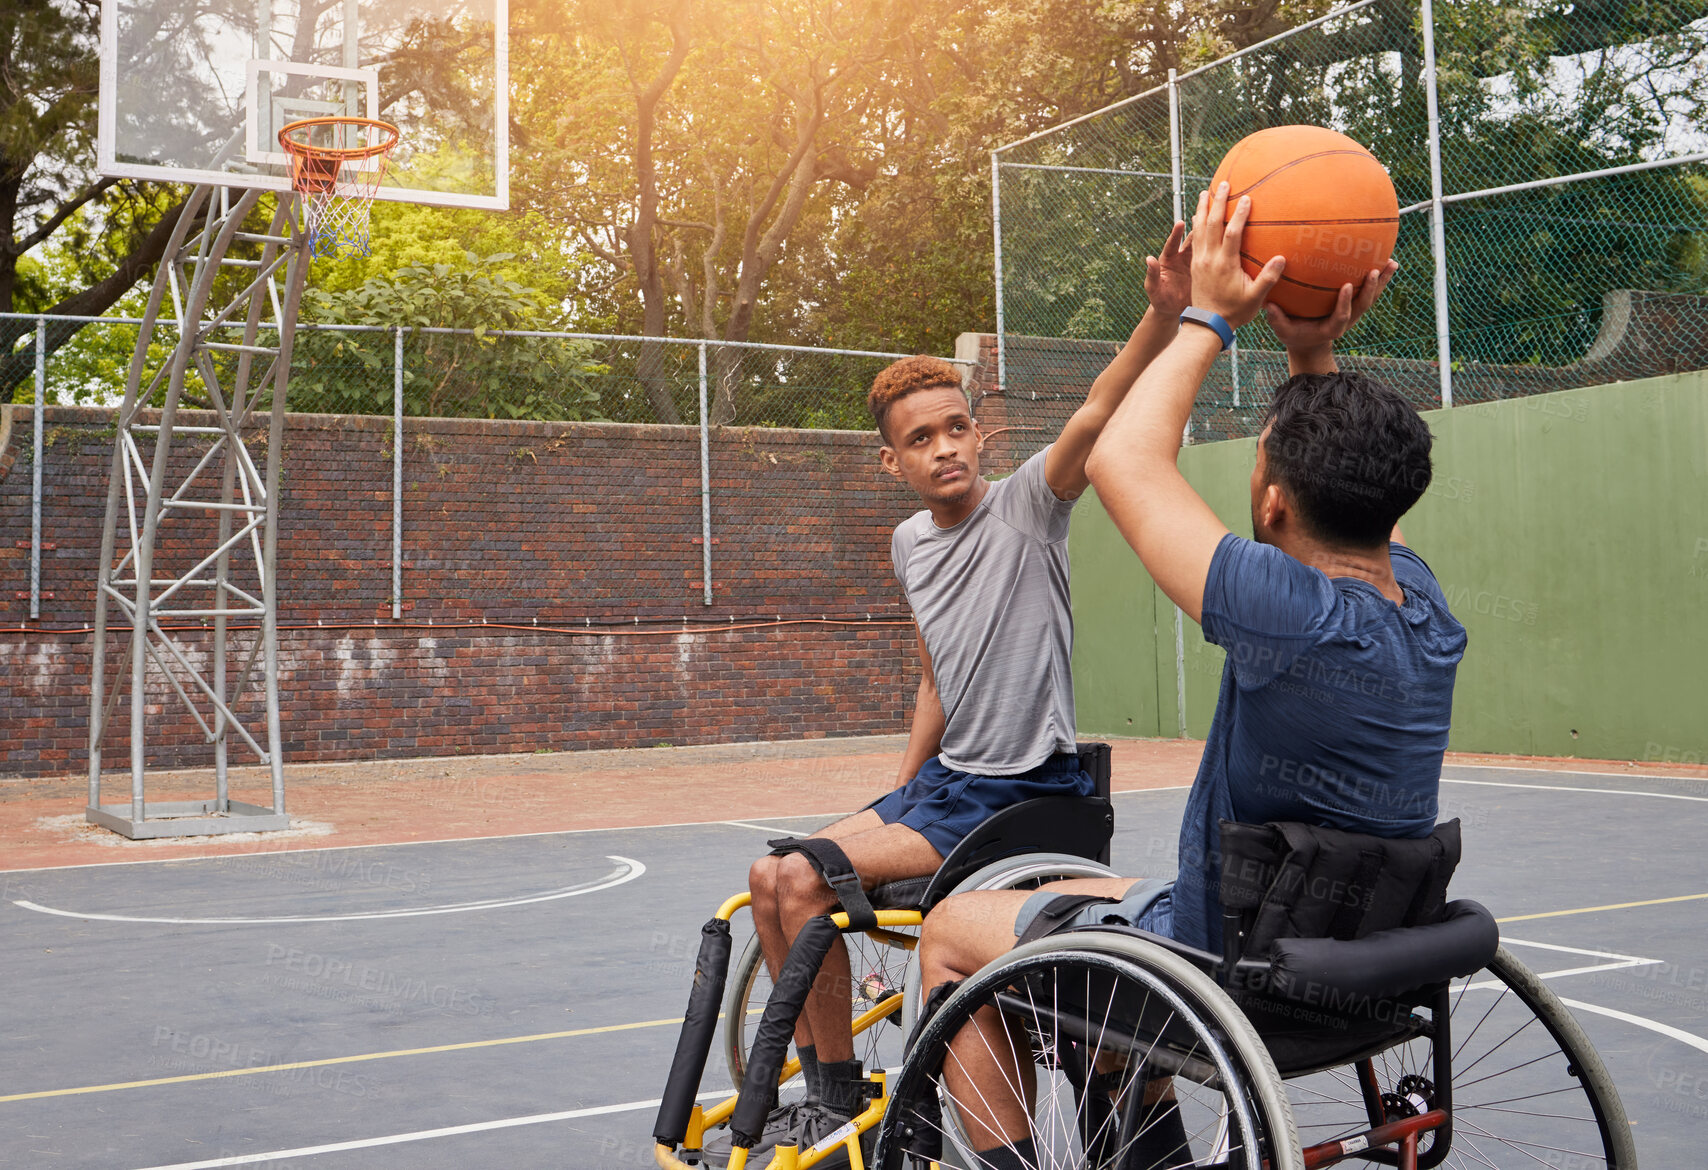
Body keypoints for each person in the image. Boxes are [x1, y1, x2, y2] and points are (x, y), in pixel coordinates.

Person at [914, 182, 1466, 1170]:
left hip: (1229, 971)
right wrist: (1309, 348)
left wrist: (1213, 309)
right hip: (1359, 970)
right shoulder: (1422, 610)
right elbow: (1347, 500)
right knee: (1094, 889)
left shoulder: (1279, 609)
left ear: (1268, 502)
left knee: (953, 933)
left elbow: (1128, 453)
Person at [734, 225, 1203, 1160]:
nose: (945, 448)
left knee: (797, 874)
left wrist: (1160, 315)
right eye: (921, 439)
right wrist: (884, 804)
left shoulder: (1030, 505)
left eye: (957, 429)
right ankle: (836, 1086)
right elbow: (933, 677)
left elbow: (1096, 410)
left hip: (1027, 794)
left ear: (980, 436)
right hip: (946, 786)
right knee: (769, 878)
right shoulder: (909, 545)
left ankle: (832, 1103)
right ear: (892, 463)